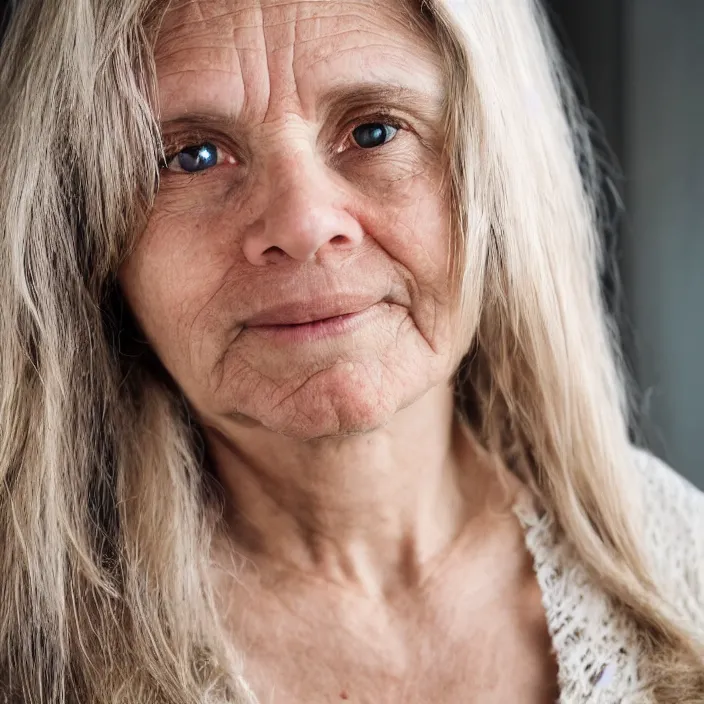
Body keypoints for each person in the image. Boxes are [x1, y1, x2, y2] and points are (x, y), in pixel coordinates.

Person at [0, 0, 702, 702]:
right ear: (86, 231)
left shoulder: (683, 569)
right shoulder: (27, 652)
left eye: (374, 131)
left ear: (498, 175)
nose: (303, 224)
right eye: (193, 156)